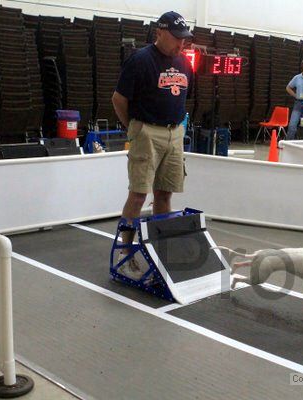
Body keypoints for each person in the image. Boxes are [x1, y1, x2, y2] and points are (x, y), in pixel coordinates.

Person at [111, 11, 194, 280]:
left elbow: (182, 98)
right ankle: (124, 251)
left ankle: (160, 249)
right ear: (160, 32)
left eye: (185, 38)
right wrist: (134, 129)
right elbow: (119, 99)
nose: (182, 44)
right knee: (138, 194)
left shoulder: (184, 63)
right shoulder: (140, 60)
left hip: (174, 132)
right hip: (146, 131)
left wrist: (177, 127)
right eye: (177, 37)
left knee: (165, 194)